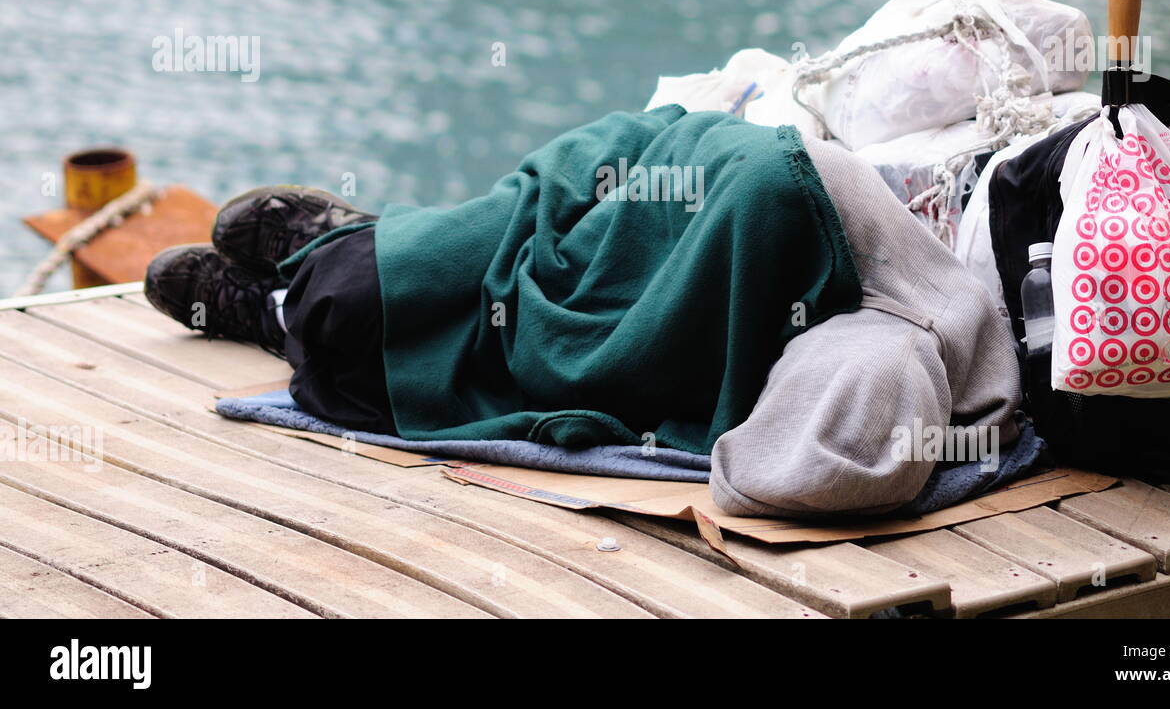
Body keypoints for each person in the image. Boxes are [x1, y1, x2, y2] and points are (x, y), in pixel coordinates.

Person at [146, 106, 1023, 518]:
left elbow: (762, 464)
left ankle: (273, 308)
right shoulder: (830, 211)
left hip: (619, 296)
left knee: (353, 338)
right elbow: (640, 143)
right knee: (413, 273)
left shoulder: (877, 359)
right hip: (604, 205)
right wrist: (556, 210)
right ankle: (338, 242)